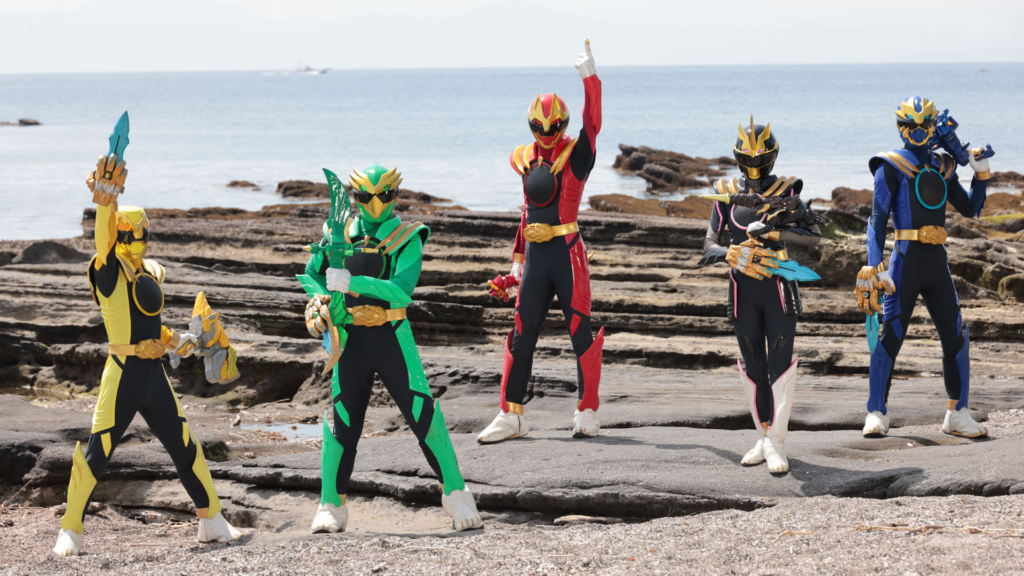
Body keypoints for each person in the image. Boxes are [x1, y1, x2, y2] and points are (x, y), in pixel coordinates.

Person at [54, 115, 241, 556]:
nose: (137, 240)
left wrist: (183, 341)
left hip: (154, 374)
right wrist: (106, 201)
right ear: (121, 233)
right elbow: (102, 241)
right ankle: (70, 529)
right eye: (130, 233)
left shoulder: (150, 273)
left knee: (184, 445)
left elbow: (153, 325)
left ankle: (212, 520)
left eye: (142, 233)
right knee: (98, 450)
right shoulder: (107, 271)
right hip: (121, 372)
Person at [301, 163, 483, 533]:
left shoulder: (407, 237)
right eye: (364, 196)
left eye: (383, 195)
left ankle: (457, 495)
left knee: (422, 414)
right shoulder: (338, 233)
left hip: (392, 336)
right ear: (354, 195)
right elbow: (312, 275)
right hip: (349, 339)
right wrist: (319, 304)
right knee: (343, 422)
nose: (374, 203)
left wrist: (352, 282)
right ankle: (331, 504)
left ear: (395, 194)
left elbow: (401, 291)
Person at [477, 40, 604, 443]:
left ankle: (588, 409)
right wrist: (515, 265)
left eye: (553, 127)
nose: (547, 134)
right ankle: (511, 414)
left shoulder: (576, 156)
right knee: (522, 333)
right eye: (539, 128)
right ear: (530, 125)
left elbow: (592, 124)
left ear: (562, 125)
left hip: (567, 255)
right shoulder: (526, 159)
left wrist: (590, 79)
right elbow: (527, 212)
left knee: (579, 331)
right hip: (535, 257)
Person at [857, 96, 992, 438]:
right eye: (909, 126)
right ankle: (876, 411)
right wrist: (874, 266)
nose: (917, 132)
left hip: (936, 263)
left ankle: (957, 413)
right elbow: (877, 220)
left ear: (933, 126)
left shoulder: (942, 166)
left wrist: (981, 173)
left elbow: (970, 209)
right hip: (904, 262)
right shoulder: (890, 165)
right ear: (900, 127)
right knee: (890, 336)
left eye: (924, 125)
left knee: (956, 336)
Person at [700, 118, 822, 474]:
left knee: (779, 364)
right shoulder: (725, 192)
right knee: (753, 365)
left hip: (779, 289)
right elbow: (708, 245)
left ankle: (777, 443)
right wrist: (729, 253)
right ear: (738, 158)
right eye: (748, 160)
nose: (754, 166)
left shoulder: (787, 190)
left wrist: (774, 234)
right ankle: (763, 436)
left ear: (771, 157)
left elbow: (814, 236)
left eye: (760, 159)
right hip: (742, 290)